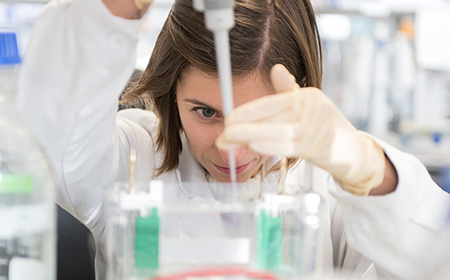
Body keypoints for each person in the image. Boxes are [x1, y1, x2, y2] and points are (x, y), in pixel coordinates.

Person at [15, 0, 450, 279]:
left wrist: (371, 172)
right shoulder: (137, 157)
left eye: (260, 117)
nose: (233, 149)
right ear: (172, 94)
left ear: (299, 90)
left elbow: (435, 263)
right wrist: (115, 7)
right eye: (206, 112)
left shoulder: (332, 186)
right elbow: (54, 141)